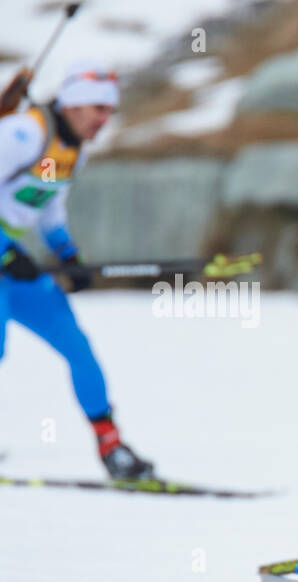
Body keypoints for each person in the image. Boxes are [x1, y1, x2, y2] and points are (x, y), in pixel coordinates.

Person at [0, 62, 153, 478]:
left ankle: (111, 446)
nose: (104, 119)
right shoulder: (20, 134)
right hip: (5, 254)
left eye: (109, 111)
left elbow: (48, 204)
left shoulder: (71, 151)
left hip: (13, 257)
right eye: (98, 109)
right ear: (73, 105)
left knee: (77, 347)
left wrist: (68, 255)